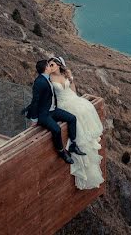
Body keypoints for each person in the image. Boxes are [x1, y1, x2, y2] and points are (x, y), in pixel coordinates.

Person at [48, 56, 104, 189]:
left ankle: (85, 141)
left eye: (52, 64)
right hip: (63, 104)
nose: (50, 67)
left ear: (58, 65)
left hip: (72, 99)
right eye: (49, 65)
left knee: (85, 108)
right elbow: (49, 96)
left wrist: (77, 100)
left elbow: (73, 89)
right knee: (76, 115)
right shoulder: (49, 78)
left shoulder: (66, 74)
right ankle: (76, 145)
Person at [24, 58, 85, 164]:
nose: (50, 66)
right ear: (45, 68)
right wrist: (34, 119)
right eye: (48, 65)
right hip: (44, 114)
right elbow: (35, 101)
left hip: (53, 110)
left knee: (72, 118)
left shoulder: (49, 78)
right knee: (56, 129)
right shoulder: (39, 82)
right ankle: (62, 152)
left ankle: (73, 145)